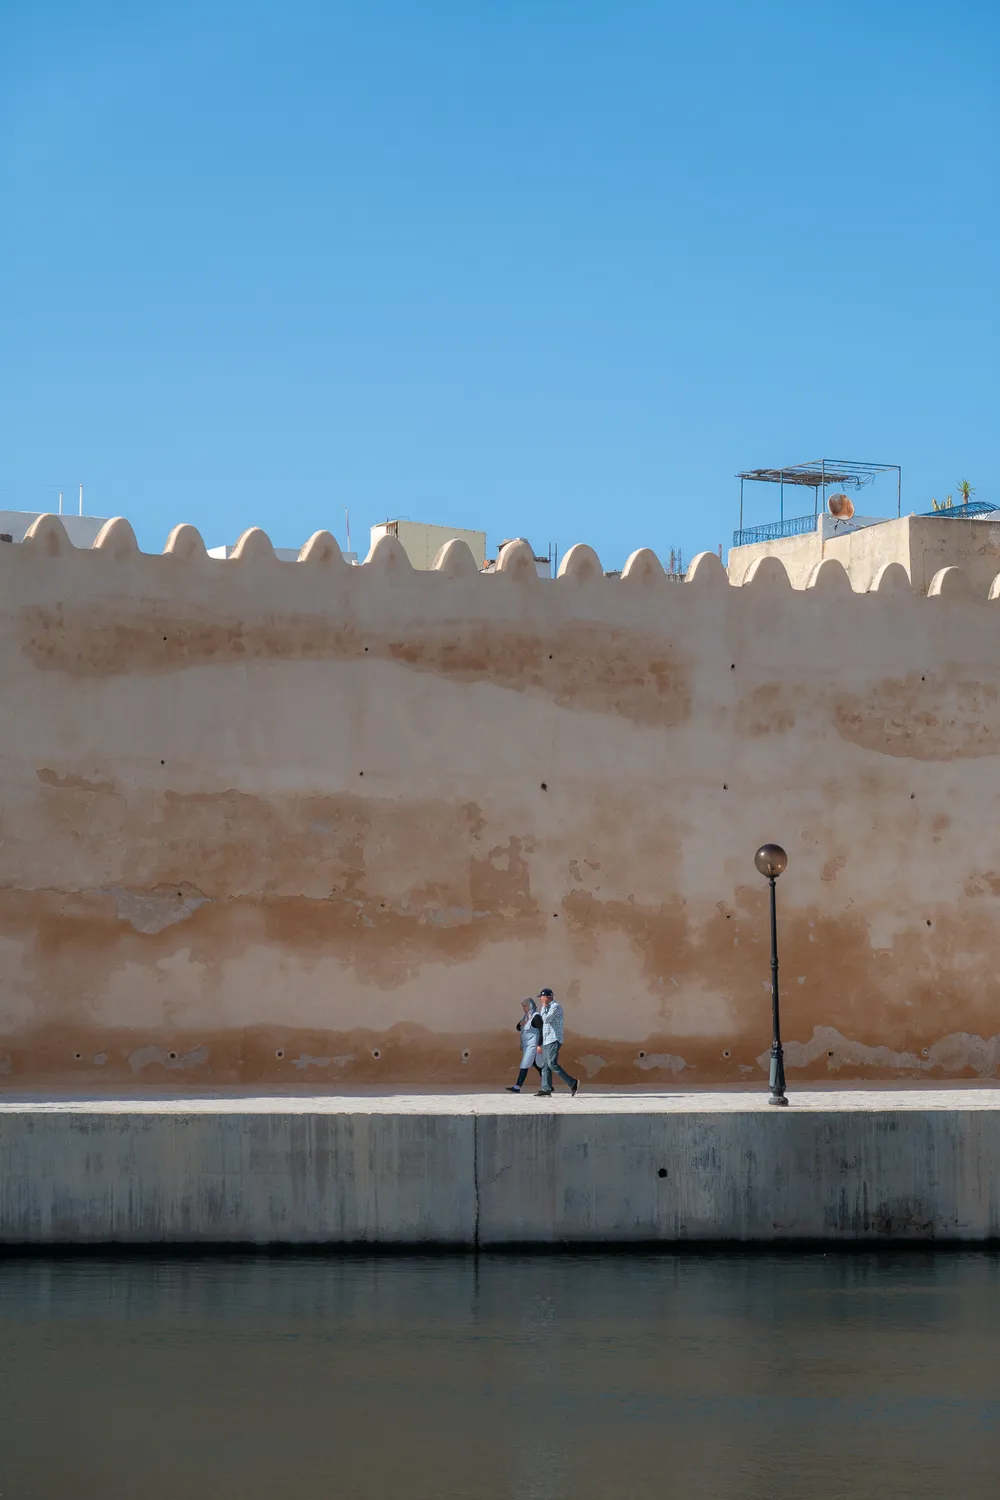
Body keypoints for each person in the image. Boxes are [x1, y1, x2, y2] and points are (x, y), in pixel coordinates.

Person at [536, 987, 579, 1097]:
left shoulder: (555, 1007)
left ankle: (573, 1082)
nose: (540, 999)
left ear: (546, 997)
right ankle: (546, 1089)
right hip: (547, 1040)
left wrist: (545, 1006)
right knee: (545, 1065)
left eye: (541, 997)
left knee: (552, 1064)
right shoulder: (545, 1007)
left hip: (554, 1039)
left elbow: (546, 1019)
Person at [506, 998, 543, 1092]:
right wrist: (521, 1024)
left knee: (525, 1064)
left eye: (525, 1006)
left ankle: (517, 1087)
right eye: (523, 1006)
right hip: (527, 1045)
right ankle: (548, 1084)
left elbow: (542, 1030)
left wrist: (539, 1044)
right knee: (537, 1065)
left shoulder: (536, 1016)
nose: (524, 1008)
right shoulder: (526, 1016)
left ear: (530, 1006)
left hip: (533, 1045)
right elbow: (518, 1027)